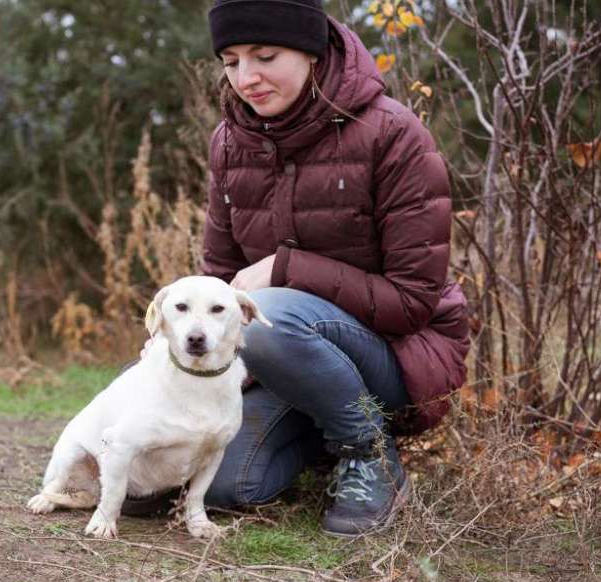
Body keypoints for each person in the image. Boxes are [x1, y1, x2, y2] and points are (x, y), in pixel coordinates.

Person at [197, 0, 471, 537]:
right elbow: (219, 281)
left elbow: (413, 302)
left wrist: (287, 269)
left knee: (270, 313)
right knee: (228, 486)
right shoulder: (230, 142)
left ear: (313, 51)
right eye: (230, 61)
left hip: (397, 354)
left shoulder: (394, 134)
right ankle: (327, 436)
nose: (246, 77)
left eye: (265, 55)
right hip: (283, 355)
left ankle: (369, 452)